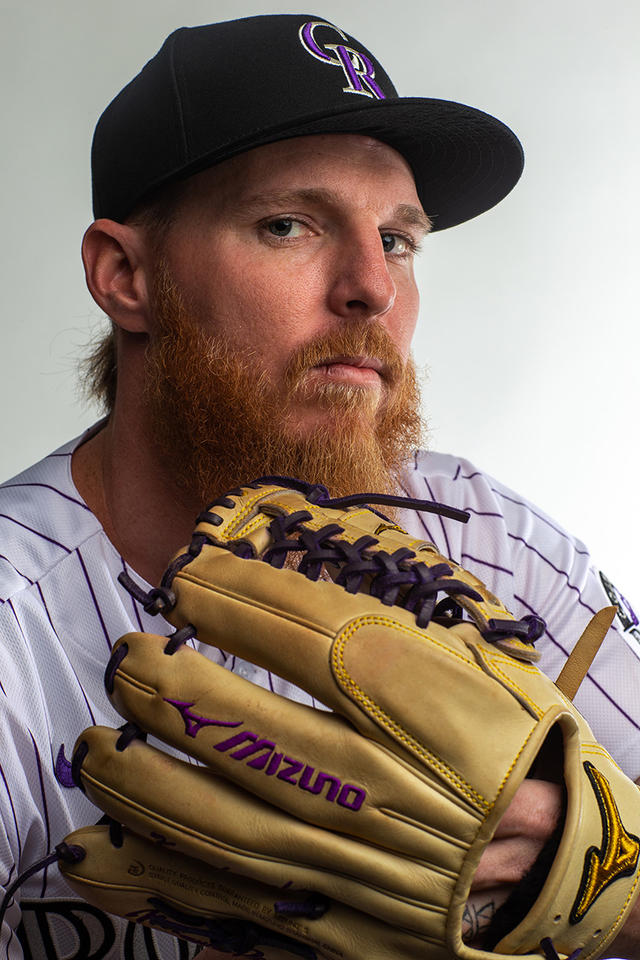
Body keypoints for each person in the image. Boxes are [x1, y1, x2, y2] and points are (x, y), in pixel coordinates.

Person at [1, 12, 639, 960]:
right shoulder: (16, 618)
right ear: (126, 276)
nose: (373, 287)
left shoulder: (492, 541)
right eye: (288, 225)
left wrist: (589, 882)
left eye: (398, 238)